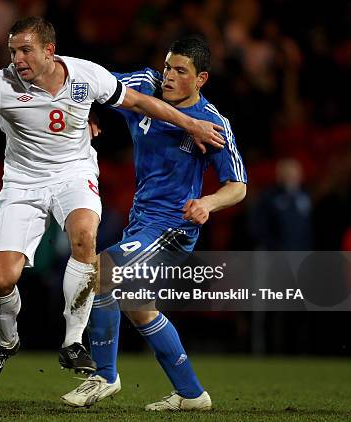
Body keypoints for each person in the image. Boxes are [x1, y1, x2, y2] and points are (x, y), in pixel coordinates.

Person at [0, 17, 225, 385]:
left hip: (74, 174)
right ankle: (5, 342)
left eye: (25, 50)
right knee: (3, 279)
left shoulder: (85, 75)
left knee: (84, 237)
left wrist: (190, 124)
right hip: (22, 183)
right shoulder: (1, 84)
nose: (17, 59)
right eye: (13, 51)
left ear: (49, 51)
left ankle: (73, 341)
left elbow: (141, 102)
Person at [61, 37, 247, 410]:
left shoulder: (211, 124)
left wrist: (208, 203)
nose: (169, 77)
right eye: (168, 67)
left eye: (181, 71)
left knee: (103, 271)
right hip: (141, 222)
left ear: (201, 79)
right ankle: (192, 394)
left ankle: (104, 375)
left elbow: (238, 186)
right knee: (137, 305)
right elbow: (94, 83)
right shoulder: (145, 86)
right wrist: (88, 111)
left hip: (173, 227)